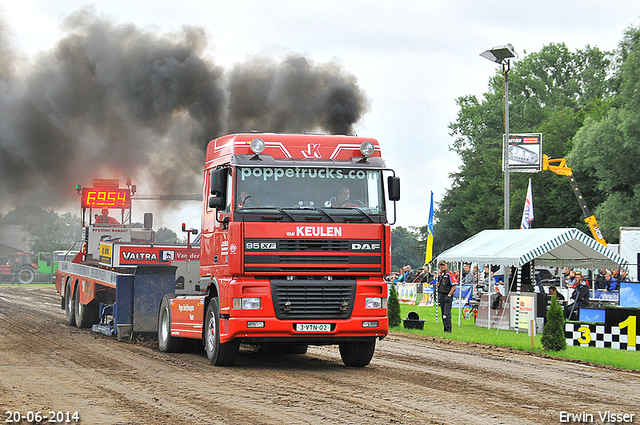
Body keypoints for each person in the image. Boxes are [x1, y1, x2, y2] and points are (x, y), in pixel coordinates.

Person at [436, 260, 458, 333]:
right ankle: (445, 329)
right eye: (441, 265)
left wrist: (449, 296)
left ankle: (448, 330)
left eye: (443, 265)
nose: (442, 266)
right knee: (443, 314)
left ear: (446, 265)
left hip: (447, 295)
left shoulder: (450, 274)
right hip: (441, 295)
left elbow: (454, 286)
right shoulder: (440, 274)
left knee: (446, 314)